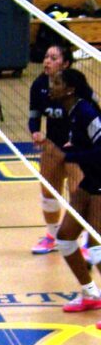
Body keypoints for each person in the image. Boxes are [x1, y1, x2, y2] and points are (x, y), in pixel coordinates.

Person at [47, 69, 101, 314]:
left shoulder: (87, 113)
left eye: (57, 83)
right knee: (65, 237)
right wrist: (66, 150)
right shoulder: (73, 113)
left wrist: (67, 156)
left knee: (96, 248)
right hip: (91, 179)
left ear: (70, 90)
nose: (52, 86)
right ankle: (90, 294)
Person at [29, 44, 87, 254]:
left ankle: (88, 242)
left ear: (66, 64)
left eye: (53, 58)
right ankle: (52, 236)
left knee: (80, 195)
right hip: (52, 145)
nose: (47, 61)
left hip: (78, 147)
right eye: (46, 56)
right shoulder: (39, 85)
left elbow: (92, 115)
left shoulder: (77, 85)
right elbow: (34, 115)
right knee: (48, 193)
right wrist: (35, 131)